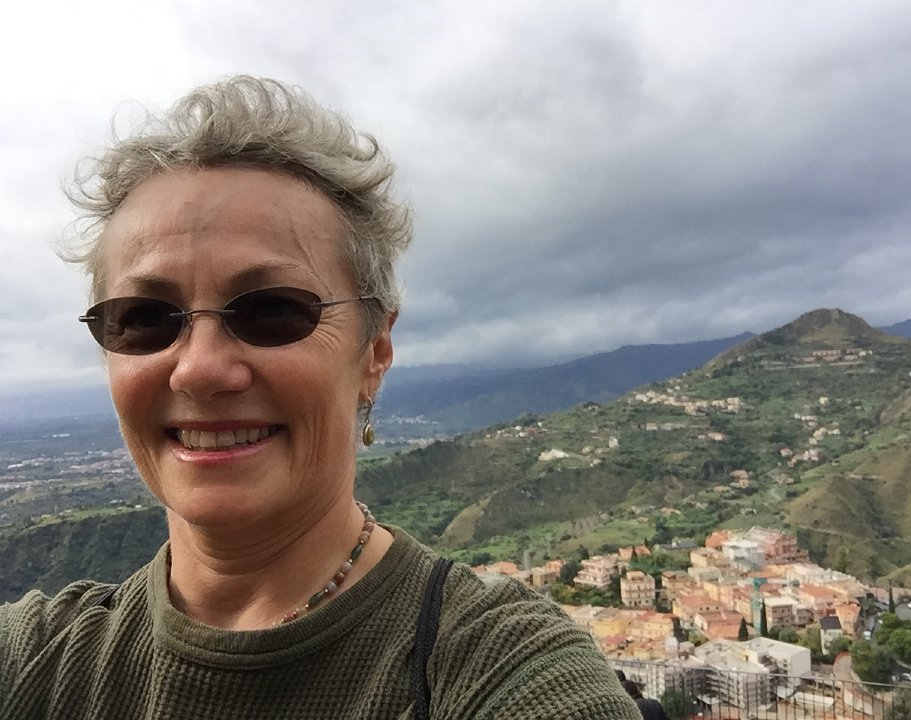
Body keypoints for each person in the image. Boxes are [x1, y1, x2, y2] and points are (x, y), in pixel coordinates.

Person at [0, 76, 642, 719]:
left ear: (374, 351)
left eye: (273, 310)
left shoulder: (494, 665)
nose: (199, 370)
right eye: (144, 318)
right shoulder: (36, 660)